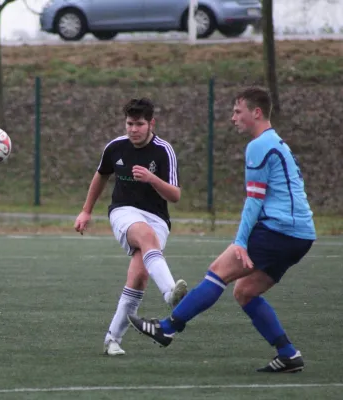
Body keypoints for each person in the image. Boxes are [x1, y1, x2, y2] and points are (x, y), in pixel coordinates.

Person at [128, 87, 316, 373]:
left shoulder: (259, 145)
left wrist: (241, 241)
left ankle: (167, 328)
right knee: (245, 291)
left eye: (237, 111)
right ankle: (288, 353)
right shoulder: (276, 142)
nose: (232, 117)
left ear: (256, 113)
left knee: (218, 272)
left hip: (280, 230)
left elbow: (254, 200)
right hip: (301, 234)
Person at [74, 98, 188, 356]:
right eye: (129, 124)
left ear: (151, 124)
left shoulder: (163, 151)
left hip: (157, 218)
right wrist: (86, 210)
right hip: (123, 212)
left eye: (139, 124)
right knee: (145, 236)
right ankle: (170, 292)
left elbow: (175, 196)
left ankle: (112, 339)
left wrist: (151, 179)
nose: (133, 129)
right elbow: (101, 175)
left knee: (139, 276)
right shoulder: (116, 147)